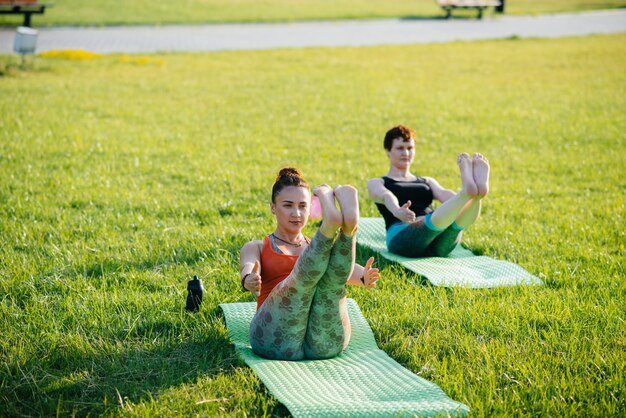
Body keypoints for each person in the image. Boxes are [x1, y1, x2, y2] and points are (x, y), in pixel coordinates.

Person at [240, 168, 380, 361]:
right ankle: (332, 226)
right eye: (288, 205)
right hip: (273, 339)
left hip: (324, 344)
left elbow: (345, 274)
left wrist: (364, 276)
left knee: (331, 284)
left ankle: (349, 228)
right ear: (273, 207)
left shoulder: (316, 250)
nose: (296, 213)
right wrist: (249, 278)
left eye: (302, 206)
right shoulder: (257, 246)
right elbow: (248, 265)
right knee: (300, 281)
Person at [366, 125, 490, 258]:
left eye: (410, 148)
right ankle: (466, 193)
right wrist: (397, 210)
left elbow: (444, 194)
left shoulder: (427, 181)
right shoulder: (378, 182)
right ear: (388, 150)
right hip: (403, 236)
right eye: (400, 148)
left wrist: (466, 202)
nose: (406, 153)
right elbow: (386, 196)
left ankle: (476, 195)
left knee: (457, 218)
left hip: (439, 240)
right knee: (433, 220)